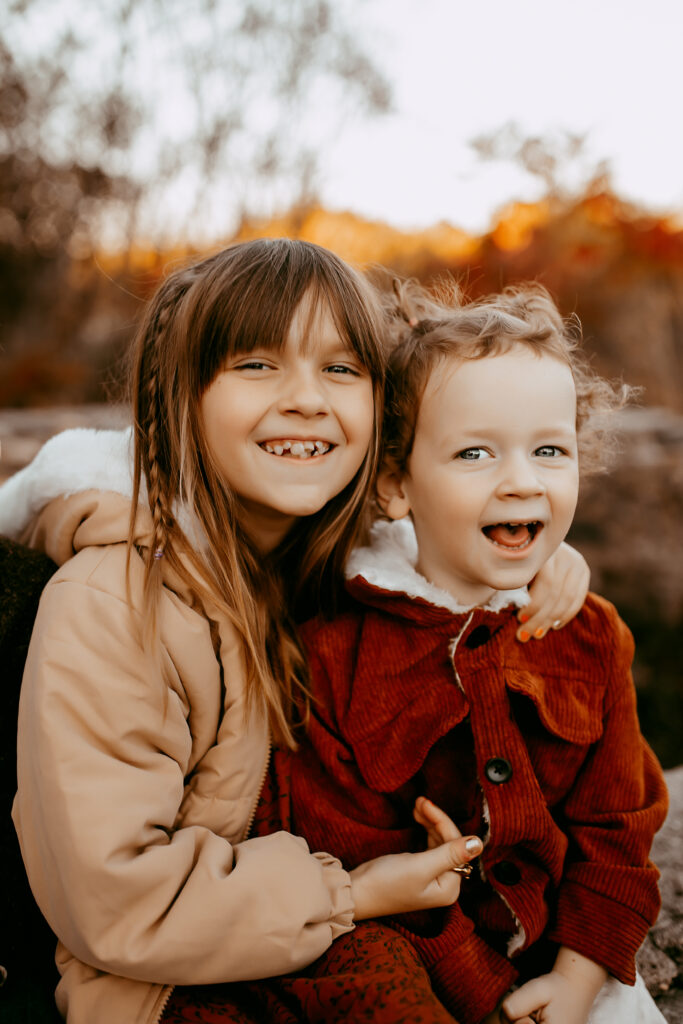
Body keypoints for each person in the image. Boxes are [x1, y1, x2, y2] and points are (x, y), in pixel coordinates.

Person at [0, 241, 590, 1024]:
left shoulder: (346, 561)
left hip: (348, 940)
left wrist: (535, 564)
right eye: (256, 364)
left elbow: (462, 529)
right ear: (181, 397)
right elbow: (117, 904)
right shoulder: (111, 602)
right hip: (171, 991)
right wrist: (351, 892)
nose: (307, 399)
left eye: (341, 369)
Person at [284, 282, 668, 1024]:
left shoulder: (590, 636)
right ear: (395, 483)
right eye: (473, 452)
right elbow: (349, 852)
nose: (521, 479)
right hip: (418, 964)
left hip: (575, 963)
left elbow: (621, 826)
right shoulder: (337, 651)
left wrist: (581, 977)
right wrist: (477, 990)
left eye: (549, 449)